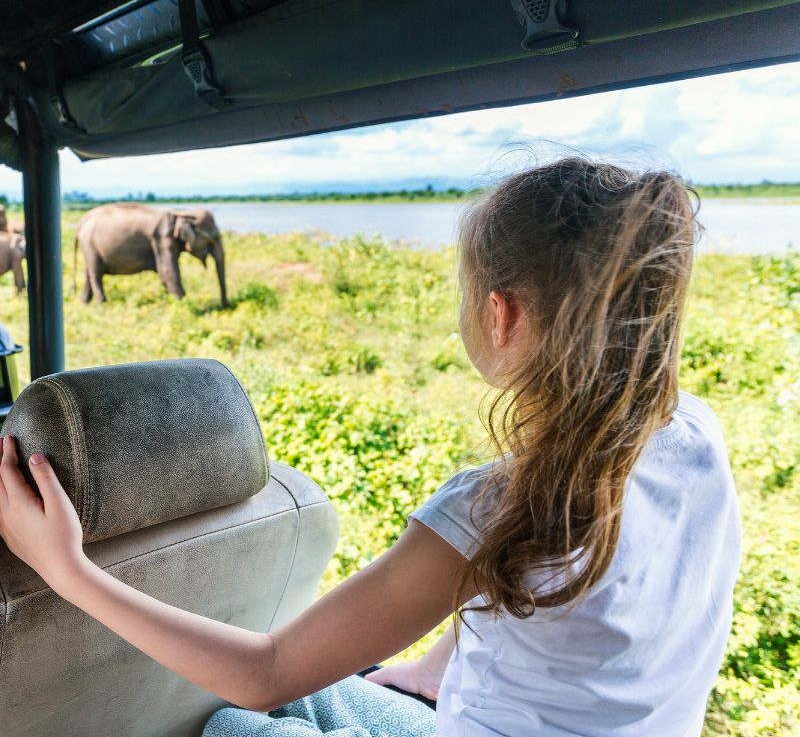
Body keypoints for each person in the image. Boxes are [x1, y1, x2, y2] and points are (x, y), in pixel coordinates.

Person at [0, 157, 742, 736]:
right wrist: (430, 667)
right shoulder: (698, 438)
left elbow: (263, 675)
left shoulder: (500, 504)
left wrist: (66, 570)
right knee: (330, 695)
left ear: (501, 314)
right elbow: (551, 605)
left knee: (234, 724)